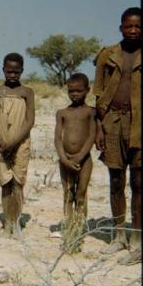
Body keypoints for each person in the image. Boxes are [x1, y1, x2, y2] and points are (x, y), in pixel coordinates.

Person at [93, 7, 141, 265]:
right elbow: (98, 94)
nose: (133, 31)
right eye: (128, 26)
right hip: (112, 121)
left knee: (139, 183)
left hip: (140, 125)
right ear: (120, 27)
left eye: (138, 27)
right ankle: (118, 235)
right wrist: (99, 127)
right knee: (115, 180)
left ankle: (137, 238)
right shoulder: (107, 55)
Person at [0, 53, 34, 238]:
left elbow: (30, 120)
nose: (13, 75)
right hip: (0, 144)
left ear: (22, 71)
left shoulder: (27, 92)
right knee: (5, 183)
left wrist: (13, 143)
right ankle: (7, 222)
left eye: (16, 71)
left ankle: (16, 222)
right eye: (9, 71)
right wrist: (1, 141)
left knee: (17, 183)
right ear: (3, 70)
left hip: (20, 143)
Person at [54, 73, 95, 240]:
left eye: (79, 91)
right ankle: (68, 227)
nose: (75, 94)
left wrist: (79, 157)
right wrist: (64, 159)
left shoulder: (91, 112)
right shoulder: (62, 113)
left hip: (84, 160)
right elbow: (57, 138)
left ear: (87, 90)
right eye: (71, 91)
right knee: (68, 193)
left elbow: (92, 135)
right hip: (65, 159)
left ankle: (79, 228)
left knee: (81, 194)